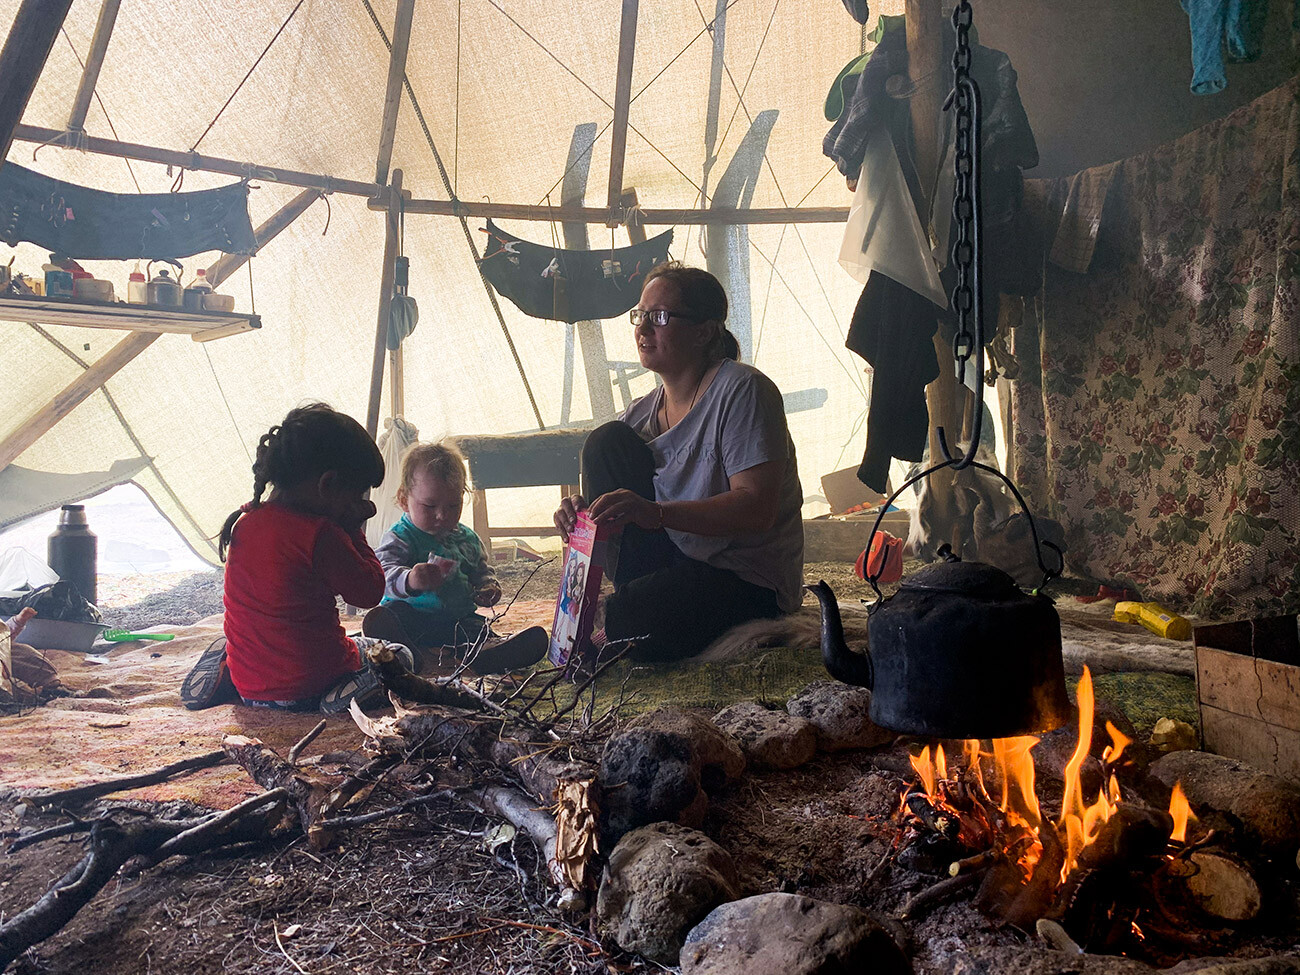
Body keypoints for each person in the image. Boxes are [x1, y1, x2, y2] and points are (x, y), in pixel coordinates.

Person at [553, 262, 804, 661]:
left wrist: (654, 513)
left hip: (742, 578)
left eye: (660, 317)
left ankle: (631, 613)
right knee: (606, 442)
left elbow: (757, 508)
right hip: (675, 563)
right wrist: (582, 518)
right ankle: (632, 605)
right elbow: (621, 509)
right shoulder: (639, 414)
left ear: (704, 331)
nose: (643, 328)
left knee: (632, 619)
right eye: (640, 315)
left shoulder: (743, 391)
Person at [180, 403, 414, 714]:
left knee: (241, 636)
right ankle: (340, 695)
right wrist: (354, 529)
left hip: (251, 688)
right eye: (357, 495)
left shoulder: (245, 522)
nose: (364, 505)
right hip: (311, 686)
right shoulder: (321, 534)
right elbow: (370, 592)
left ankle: (226, 666)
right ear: (327, 485)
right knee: (398, 655)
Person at [361, 441, 547, 673]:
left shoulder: (467, 539)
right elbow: (381, 574)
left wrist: (487, 587)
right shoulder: (400, 536)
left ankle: (487, 654)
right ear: (402, 499)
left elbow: (481, 571)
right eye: (430, 506)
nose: (442, 514)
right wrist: (409, 580)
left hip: (456, 620)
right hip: (414, 617)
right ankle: (405, 653)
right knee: (390, 617)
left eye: (453, 504)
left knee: (477, 628)